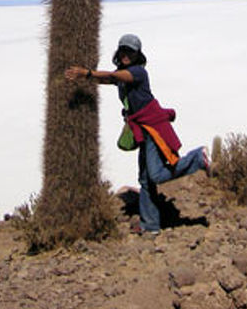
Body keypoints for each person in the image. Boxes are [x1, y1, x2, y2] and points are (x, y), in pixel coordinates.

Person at [65, 33, 210, 234]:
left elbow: (115, 77)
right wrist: (81, 77)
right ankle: (150, 226)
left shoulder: (138, 73)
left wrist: (87, 73)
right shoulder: (122, 75)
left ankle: (197, 159)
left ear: (137, 55)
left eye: (130, 52)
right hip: (142, 129)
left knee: (156, 174)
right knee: (145, 180)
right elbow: (110, 79)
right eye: (123, 50)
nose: (126, 55)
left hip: (154, 128)